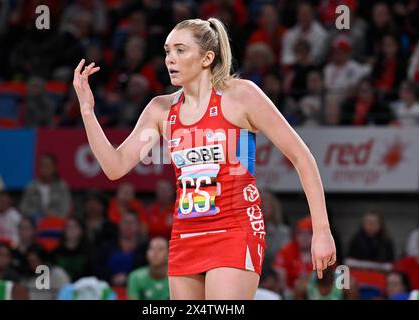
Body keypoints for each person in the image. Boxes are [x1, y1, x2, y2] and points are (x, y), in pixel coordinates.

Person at [73, 17, 336, 300]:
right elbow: (114, 167)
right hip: (185, 235)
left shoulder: (240, 95)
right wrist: (87, 111)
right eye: (167, 51)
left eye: (180, 50)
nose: (170, 59)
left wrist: (321, 231)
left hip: (235, 229)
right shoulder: (160, 109)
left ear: (207, 57)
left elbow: (302, 157)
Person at [19, 153, 72, 220]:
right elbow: (23, 208)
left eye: (47, 166)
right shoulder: (32, 186)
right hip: (34, 223)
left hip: (56, 223)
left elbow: (66, 208)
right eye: (42, 166)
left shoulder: (62, 186)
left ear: (54, 167)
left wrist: (52, 215)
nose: (44, 169)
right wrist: (37, 215)